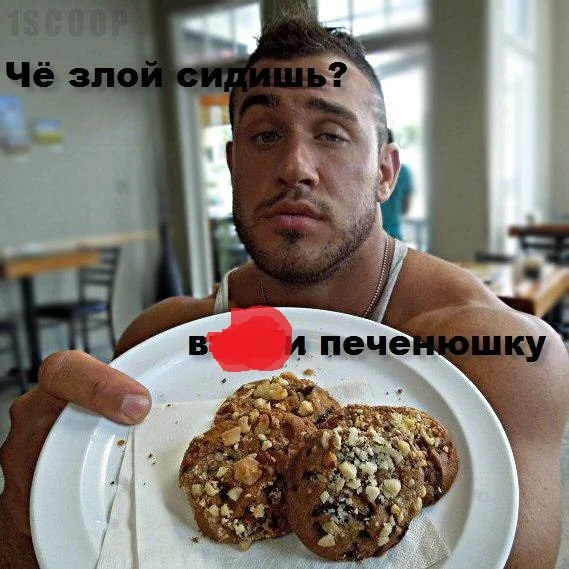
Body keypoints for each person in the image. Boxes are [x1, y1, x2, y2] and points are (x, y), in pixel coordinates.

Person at [1, 14, 568, 569]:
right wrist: (28, 520)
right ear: (232, 165)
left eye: (331, 134)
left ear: (385, 173)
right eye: (266, 135)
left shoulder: (504, 361)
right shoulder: (160, 347)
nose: (295, 167)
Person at [380, 129, 414, 240]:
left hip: (373, 237)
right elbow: (406, 208)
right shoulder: (405, 171)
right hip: (395, 235)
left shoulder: (370, 171)